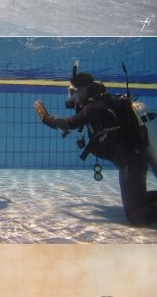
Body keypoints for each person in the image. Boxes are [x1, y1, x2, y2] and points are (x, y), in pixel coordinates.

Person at [34, 72, 157, 225]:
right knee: (138, 202)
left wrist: (45, 118)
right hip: (134, 159)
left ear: (83, 90)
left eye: (72, 92)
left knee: (135, 216)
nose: (71, 96)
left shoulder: (95, 107)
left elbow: (67, 124)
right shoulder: (103, 102)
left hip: (131, 163)